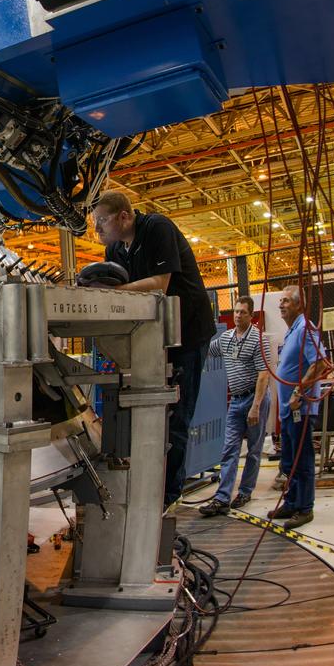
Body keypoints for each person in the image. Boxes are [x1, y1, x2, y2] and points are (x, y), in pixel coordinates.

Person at [91, 191, 216, 506]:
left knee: (176, 419)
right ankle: (146, 488)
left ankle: (168, 497)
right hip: (154, 340)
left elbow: (159, 284)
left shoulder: (157, 227)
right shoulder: (116, 249)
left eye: (102, 221)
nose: (97, 230)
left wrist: (116, 291)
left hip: (187, 334)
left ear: (123, 216)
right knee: (148, 415)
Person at [199, 296, 272, 516]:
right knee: (229, 449)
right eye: (236, 312)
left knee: (253, 451)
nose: (238, 316)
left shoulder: (258, 339)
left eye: (243, 312)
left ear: (251, 315)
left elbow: (263, 375)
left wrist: (256, 406)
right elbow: (205, 351)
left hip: (254, 400)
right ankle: (222, 499)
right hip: (236, 401)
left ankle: (245, 491)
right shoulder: (226, 338)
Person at [269, 285, 328, 529]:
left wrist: (298, 392)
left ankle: (305, 508)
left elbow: (320, 364)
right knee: (290, 460)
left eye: (286, 301)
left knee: (302, 461)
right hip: (288, 411)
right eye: (280, 301)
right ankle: (292, 502)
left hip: (299, 410)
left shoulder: (306, 329)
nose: (281, 305)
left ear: (298, 305)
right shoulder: (294, 330)